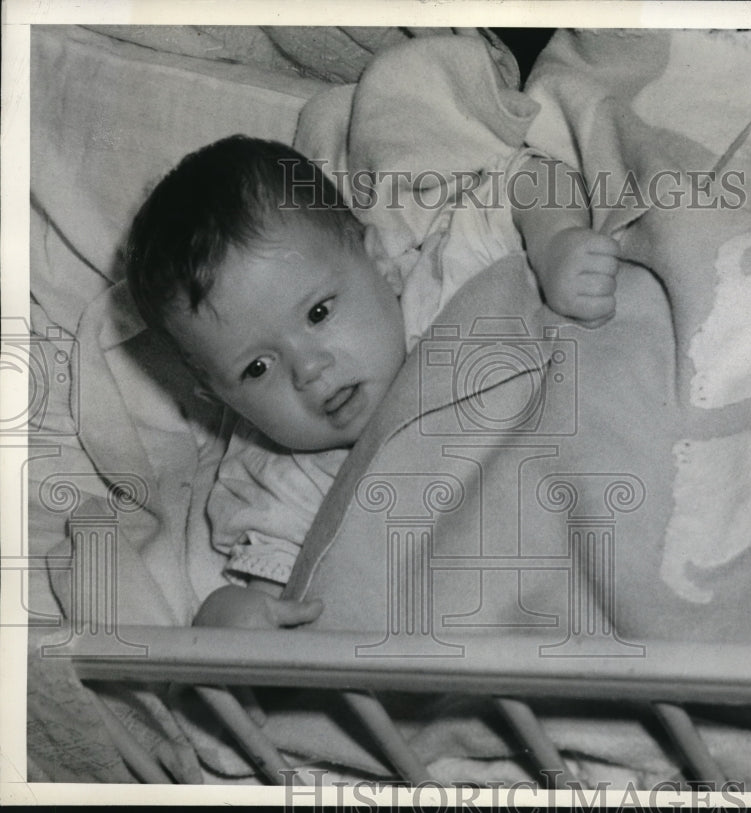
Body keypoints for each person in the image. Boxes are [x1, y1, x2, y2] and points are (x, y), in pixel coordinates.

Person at [124, 134, 620, 628]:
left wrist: (556, 240)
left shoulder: (446, 284)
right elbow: (276, 591)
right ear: (219, 398)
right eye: (256, 368)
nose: (308, 369)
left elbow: (526, 175)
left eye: (318, 313)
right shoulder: (287, 479)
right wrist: (230, 619)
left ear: (380, 261)